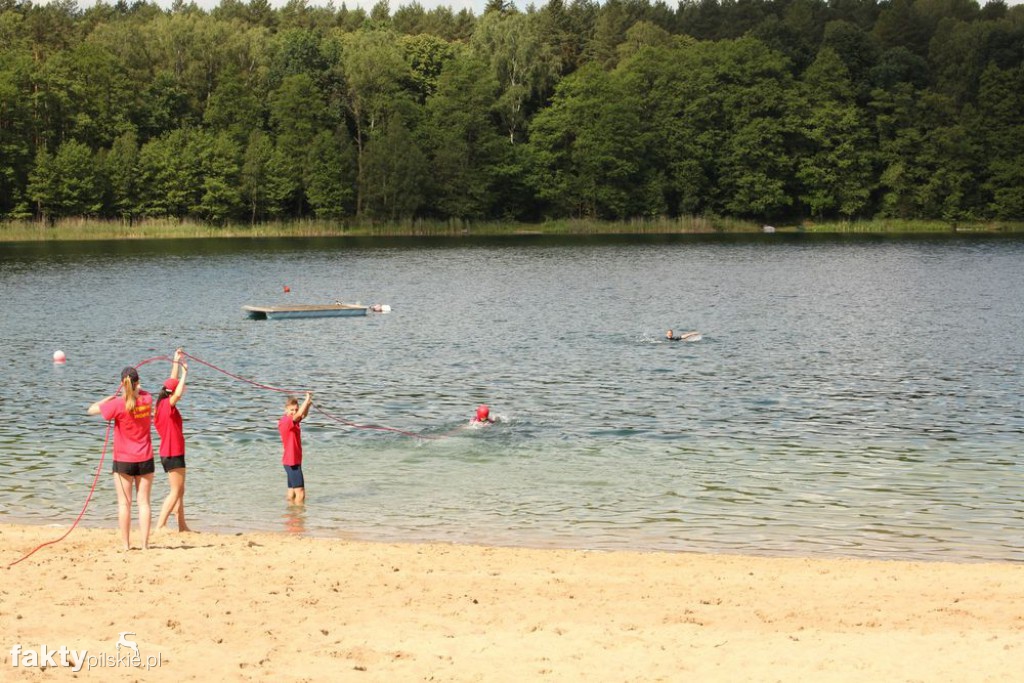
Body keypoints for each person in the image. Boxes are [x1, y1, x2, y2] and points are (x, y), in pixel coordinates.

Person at [88, 366, 155, 550]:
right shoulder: (147, 399)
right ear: (137, 383)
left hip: (123, 460)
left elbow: (91, 410)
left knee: (124, 504)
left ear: (122, 384)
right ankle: (144, 546)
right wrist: (134, 388)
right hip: (145, 458)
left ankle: (125, 545)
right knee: (144, 503)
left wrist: (107, 399)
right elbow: (142, 392)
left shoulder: (117, 404)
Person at [155, 348, 190, 532]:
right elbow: (176, 394)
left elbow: (172, 385)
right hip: (172, 452)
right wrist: (185, 373)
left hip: (172, 451)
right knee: (176, 491)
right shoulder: (167, 405)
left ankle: (182, 525)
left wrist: (175, 362)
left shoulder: (162, 403)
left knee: (180, 490)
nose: (182, 389)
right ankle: (160, 525)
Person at [279, 392, 312, 504]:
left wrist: (308, 404)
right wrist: (306, 399)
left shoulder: (292, 421)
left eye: (295, 409)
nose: (294, 412)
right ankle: (298, 519)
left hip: (291, 461)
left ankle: (290, 515)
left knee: (292, 491)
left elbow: (302, 415)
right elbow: (299, 415)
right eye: (292, 410)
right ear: (286, 410)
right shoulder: (287, 421)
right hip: (292, 462)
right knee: (301, 493)